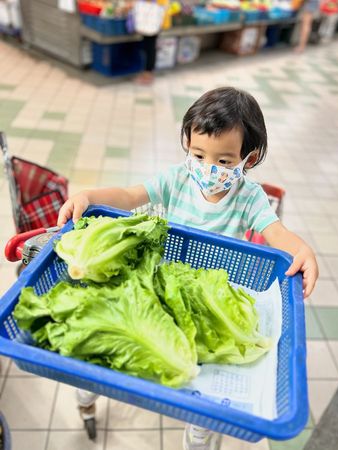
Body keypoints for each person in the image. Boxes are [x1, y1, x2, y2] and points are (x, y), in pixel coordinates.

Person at [58, 86, 318, 449]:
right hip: (163, 282)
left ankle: (197, 432)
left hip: (212, 291)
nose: (209, 169)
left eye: (224, 161)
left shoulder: (249, 197)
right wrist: (90, 197)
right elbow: (130, 196)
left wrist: (302, 250)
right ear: (186, 144)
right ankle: (86, 399)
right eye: (198, 154)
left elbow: (276, 232)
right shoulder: (177, 179)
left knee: (203, 386)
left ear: (249, 158)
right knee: (108, 344)